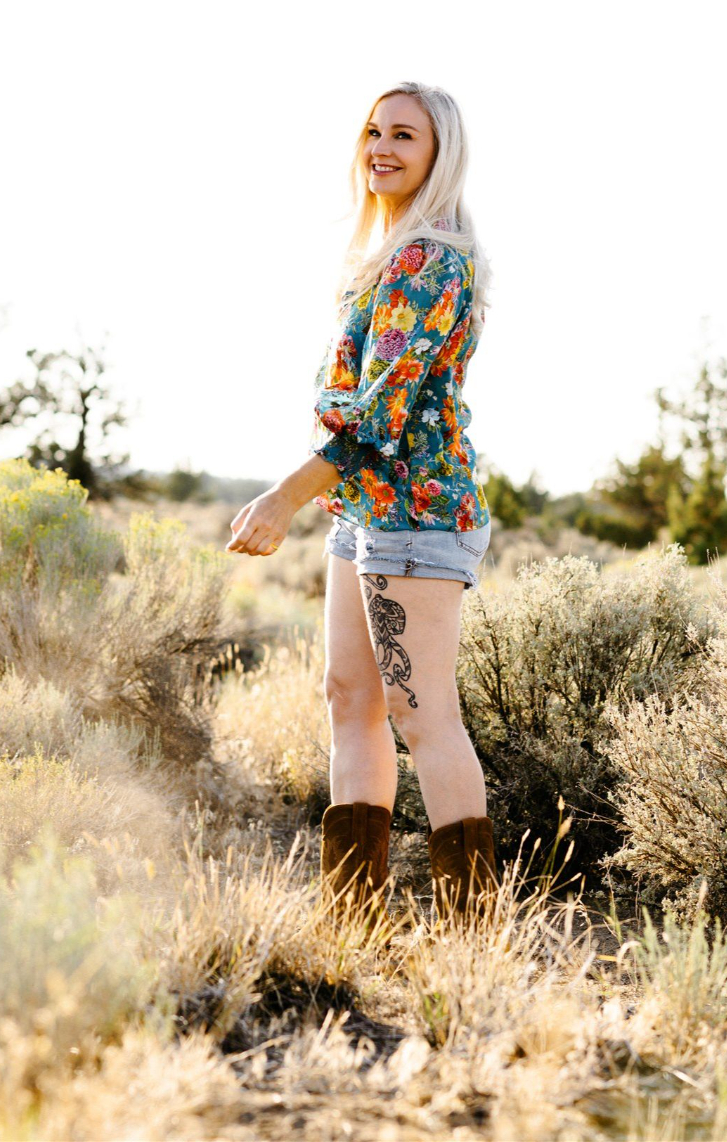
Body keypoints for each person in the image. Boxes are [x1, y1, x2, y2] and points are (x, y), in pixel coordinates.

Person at [226, 81, 497, 922]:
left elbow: (379, 413)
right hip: (365, 511)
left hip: (416, 513)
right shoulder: (388, 253)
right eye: (375, 131)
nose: (382, 147)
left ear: (439, 153)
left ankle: (473, 936)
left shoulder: (430, 258)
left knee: (424, 716)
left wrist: (283, 497)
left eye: (404, 135)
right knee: (350, 698)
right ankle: (353, 923)